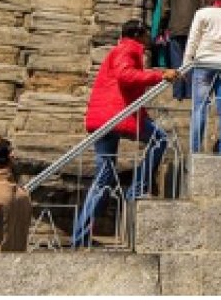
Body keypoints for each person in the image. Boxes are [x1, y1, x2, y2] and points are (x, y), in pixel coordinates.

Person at [72, 20, 178, 247]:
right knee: (159, 139)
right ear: (139, 34)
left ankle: (80, 237)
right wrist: (159, 75)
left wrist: (144, 116)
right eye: (147, 34)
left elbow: (126, 91)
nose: (149, 38)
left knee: (105, 176)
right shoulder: (129, 50)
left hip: (106, 117)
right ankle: (137, 187)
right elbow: (125, 77)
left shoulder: (120, 50)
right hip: (116, 117)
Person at [183, 0, 221, 154]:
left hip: (205, 62)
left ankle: (195, 149)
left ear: (211, 0)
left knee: (200, 107)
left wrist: (186, 64)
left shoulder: (202, 14)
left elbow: (193, 40)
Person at [162, 0, 201, 100]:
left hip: (175, 28)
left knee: (177, 61)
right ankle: (190, 92)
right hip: (192, 30)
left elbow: (165, 11)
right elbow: (199, 11)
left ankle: (178, 92)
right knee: (189, 61)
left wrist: (162, 28)